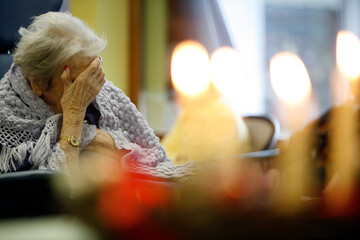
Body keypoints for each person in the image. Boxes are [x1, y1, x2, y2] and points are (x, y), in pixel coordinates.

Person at [0, 11, 196, 182]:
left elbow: (155, 161)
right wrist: (74, 120)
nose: (91, 89)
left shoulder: (104, 95)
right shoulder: (6, 117)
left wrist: (110, 146)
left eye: (94, 74)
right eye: (78, 82)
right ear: (37, 83)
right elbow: (49, 192)